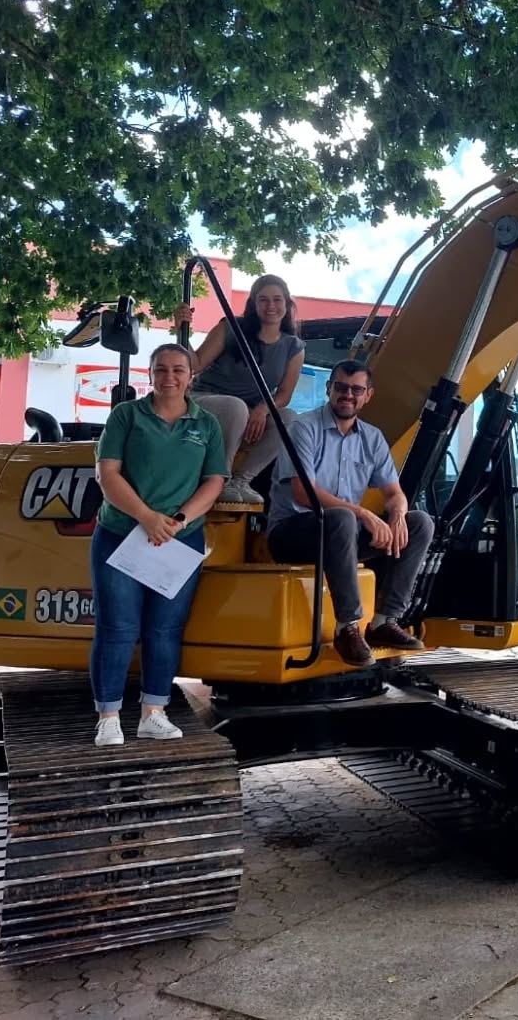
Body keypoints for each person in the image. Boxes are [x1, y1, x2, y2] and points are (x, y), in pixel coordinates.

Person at [90, 343, 227, 746]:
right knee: (117, 628)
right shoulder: (126, 416)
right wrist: (146, 517)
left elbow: (214, 480)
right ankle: (108, 717)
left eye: (179, 370)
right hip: (121, 534)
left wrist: (177, 520)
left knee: (164, 630)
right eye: (162, 369)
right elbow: (107, 473)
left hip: (179, 539)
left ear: (191, 376)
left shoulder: (206, 425)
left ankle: (154, 713)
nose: (170, 377)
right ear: (149, 374)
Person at [266, 359, 433, 667]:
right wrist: (365, 515)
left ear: (368, 395)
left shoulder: (372, 438)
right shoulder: (303, 427)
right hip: (292, 532)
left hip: (342, 533)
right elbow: (304, 493)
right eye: (341, 387)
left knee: (420, 522)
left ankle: (384, 621)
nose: (348, 395)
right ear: (330, 389)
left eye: (356, 389)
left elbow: (394, 493)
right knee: (343, 517)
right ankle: (347, 627)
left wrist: (396, 515)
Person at [174, 274, 306, 505]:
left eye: (277, 299)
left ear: (287, 304)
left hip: (250, 412)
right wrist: (181, 330)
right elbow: (195, 364)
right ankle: (219, 479)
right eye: (263, 300)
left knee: (290, 418)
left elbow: (284, 394)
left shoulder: (293, 346)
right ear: (254, 305)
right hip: (206, 399)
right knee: (236, 407)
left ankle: (242, 480)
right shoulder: (231, 328)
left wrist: (263, 409)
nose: (271, 306)